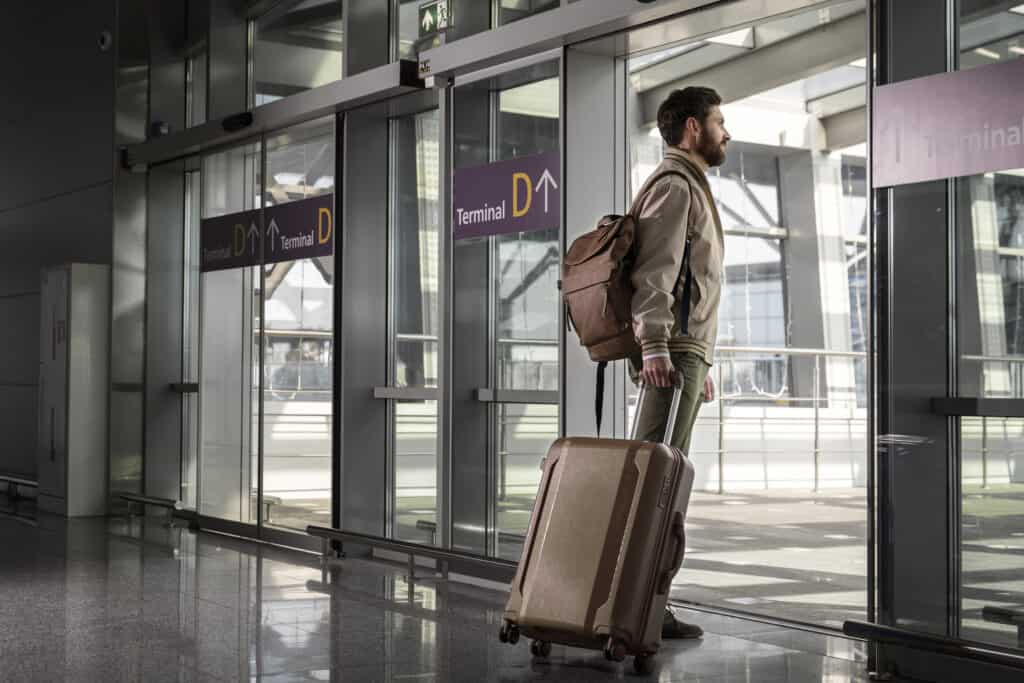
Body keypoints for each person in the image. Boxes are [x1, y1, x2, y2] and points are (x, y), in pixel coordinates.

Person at [629, 86, 729, 640]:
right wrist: (657, 346)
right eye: (719, 121)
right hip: (673, 352)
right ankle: (638, 606)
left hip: (687, 353)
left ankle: (644, 602)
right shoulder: (674, 186)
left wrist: (700, 362)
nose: (726, 132)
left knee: (664, 477)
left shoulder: (690, 186)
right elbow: (656, 273)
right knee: (656, 481)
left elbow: (692, 282)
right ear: (693, 129)